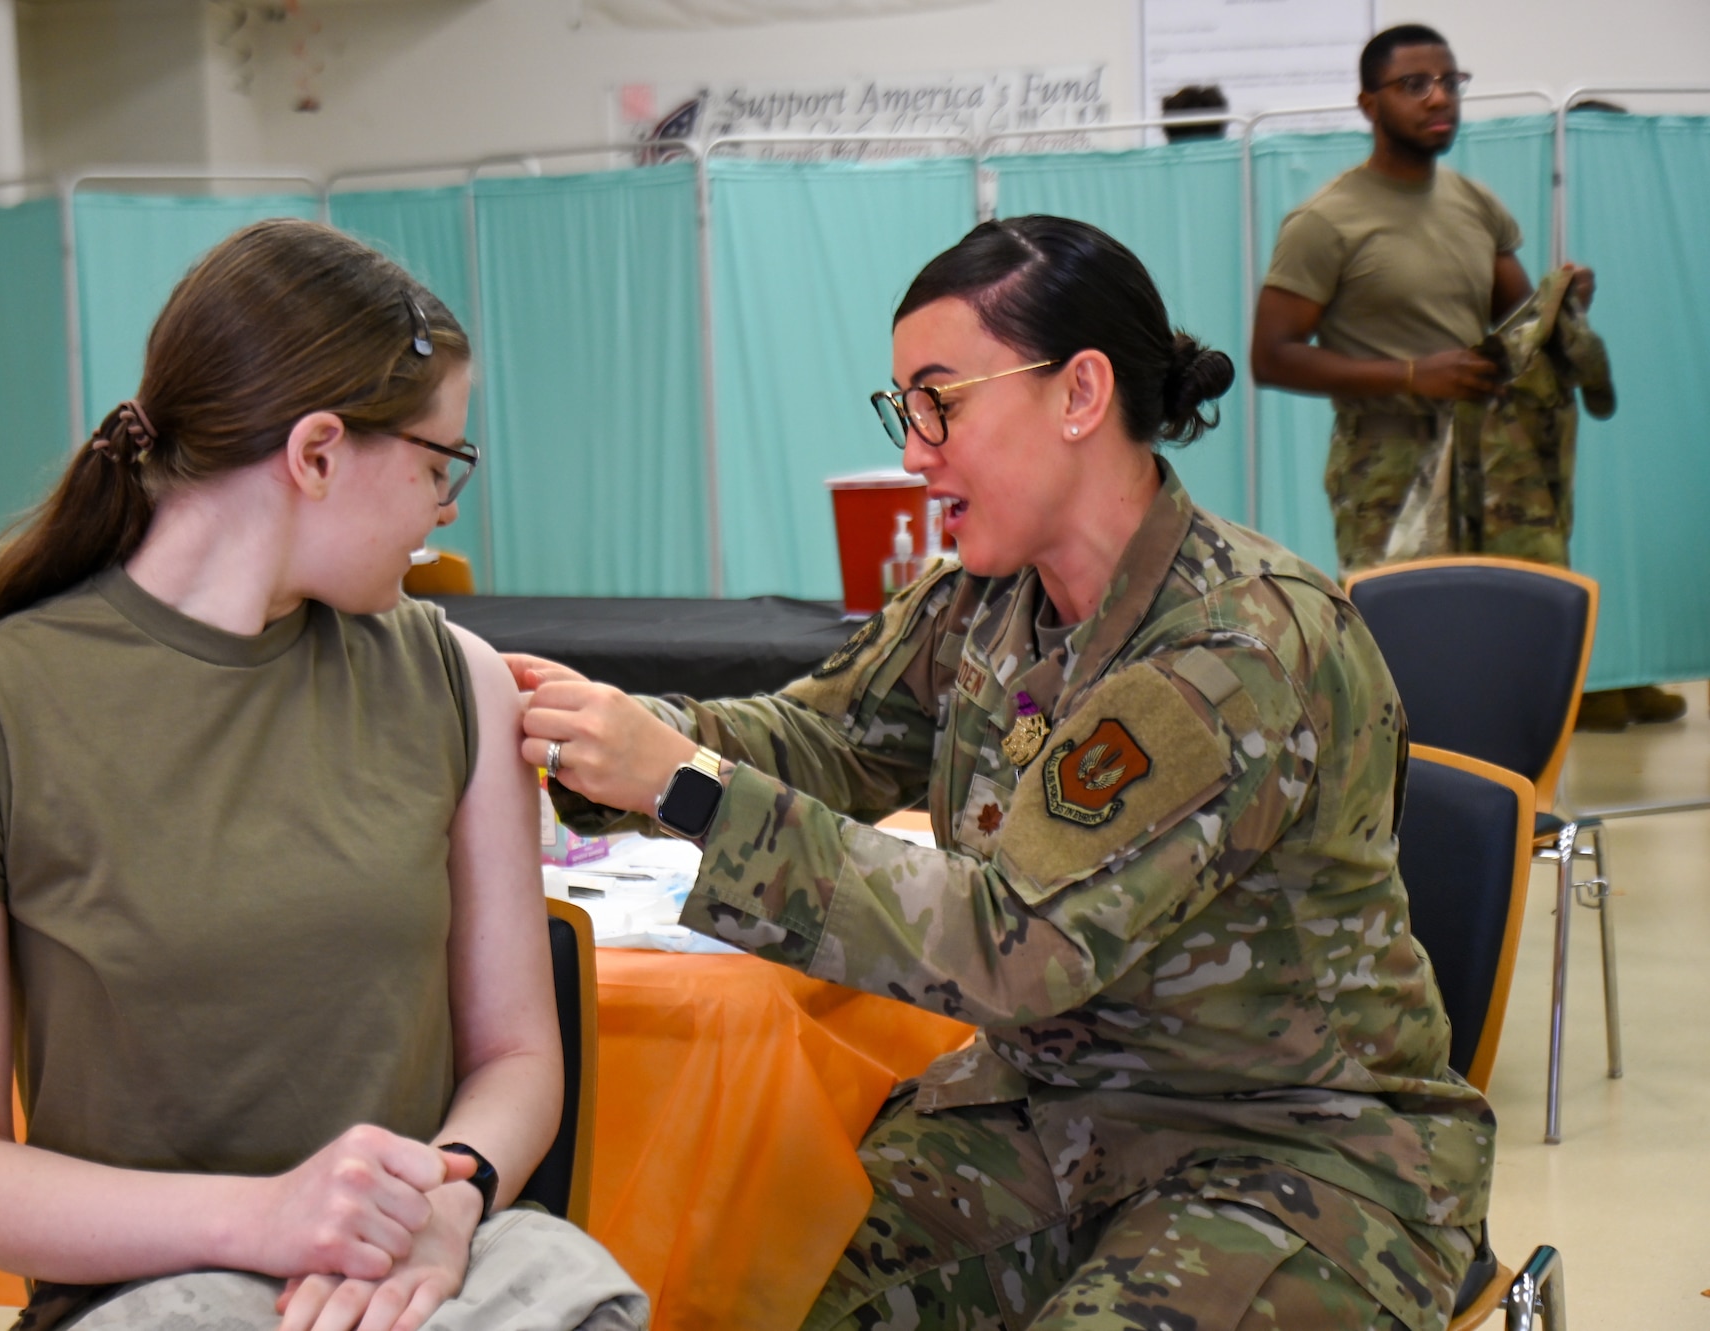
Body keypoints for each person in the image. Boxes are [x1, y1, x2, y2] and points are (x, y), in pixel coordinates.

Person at [513, 215, 1492, 1331]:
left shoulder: (1232, 654)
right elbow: (821, 739)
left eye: (940, 401)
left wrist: (686, 786)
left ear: (1078, 393)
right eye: (903, 409)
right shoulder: (985, 600)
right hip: (1051, 1117)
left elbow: (1010, 945)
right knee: (762, 1281)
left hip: (1282, 1155)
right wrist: (597, 735)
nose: (912, 451)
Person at [0, 219, 645, 1331]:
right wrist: (265, 1218)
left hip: (431, 1262)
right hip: (156, 1288)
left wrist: (454, 1196)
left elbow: (513, 1051)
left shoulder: (453, 679)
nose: (445, 510)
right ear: (315, 454)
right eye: (436, 463)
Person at [1251, 23, 1679, 728]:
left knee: (1510, 638)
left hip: (1495, 466)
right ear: (1368, 104)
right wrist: (1414, 374)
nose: (1439, 97)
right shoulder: (1325, 222)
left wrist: (1561, 307)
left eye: (1451, 81)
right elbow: (1273, 354)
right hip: (1390, 471)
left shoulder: (1476, 205)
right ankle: (1410, 814)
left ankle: (1506, 806)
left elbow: (1515, 326)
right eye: (1415, 84)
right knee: (1407, 652)